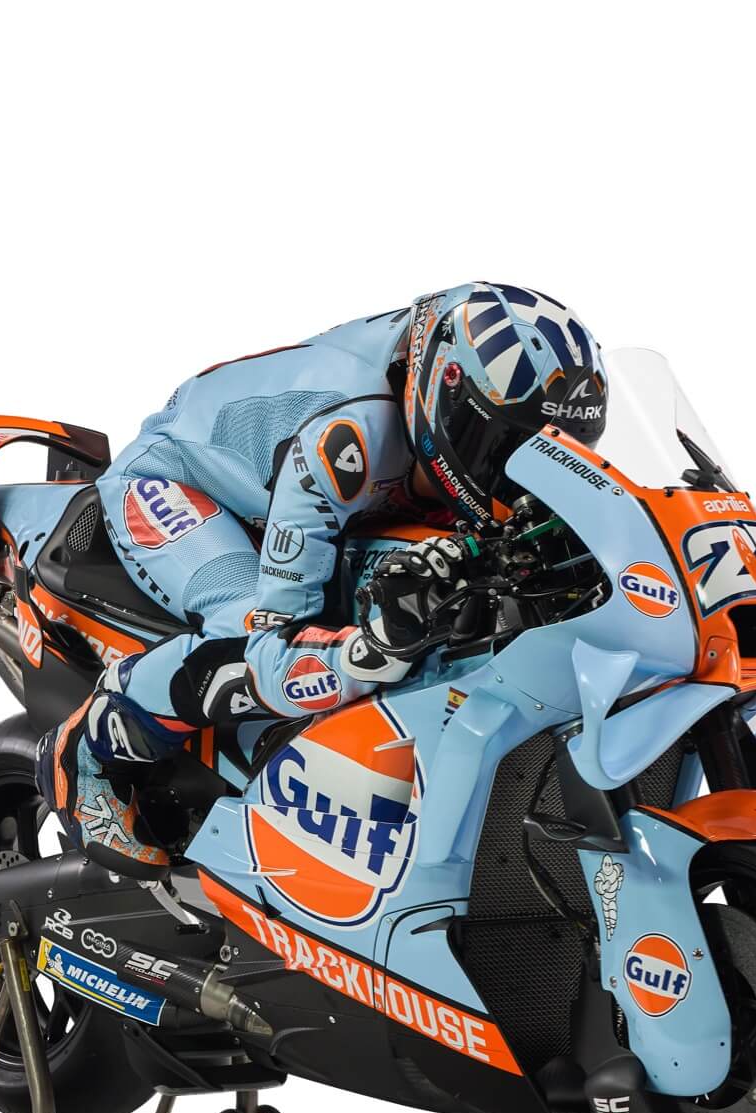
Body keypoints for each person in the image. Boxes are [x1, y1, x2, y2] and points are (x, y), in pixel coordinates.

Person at [37, 281, 607, 871]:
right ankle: (87, 750)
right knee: (250, 630)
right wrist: (375, 649)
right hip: (177, 479)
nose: (513, 479)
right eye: (502, 447)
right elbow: (273, 651)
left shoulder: (449, 374)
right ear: (449, 389)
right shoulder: (349, 440)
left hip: (319, 493)